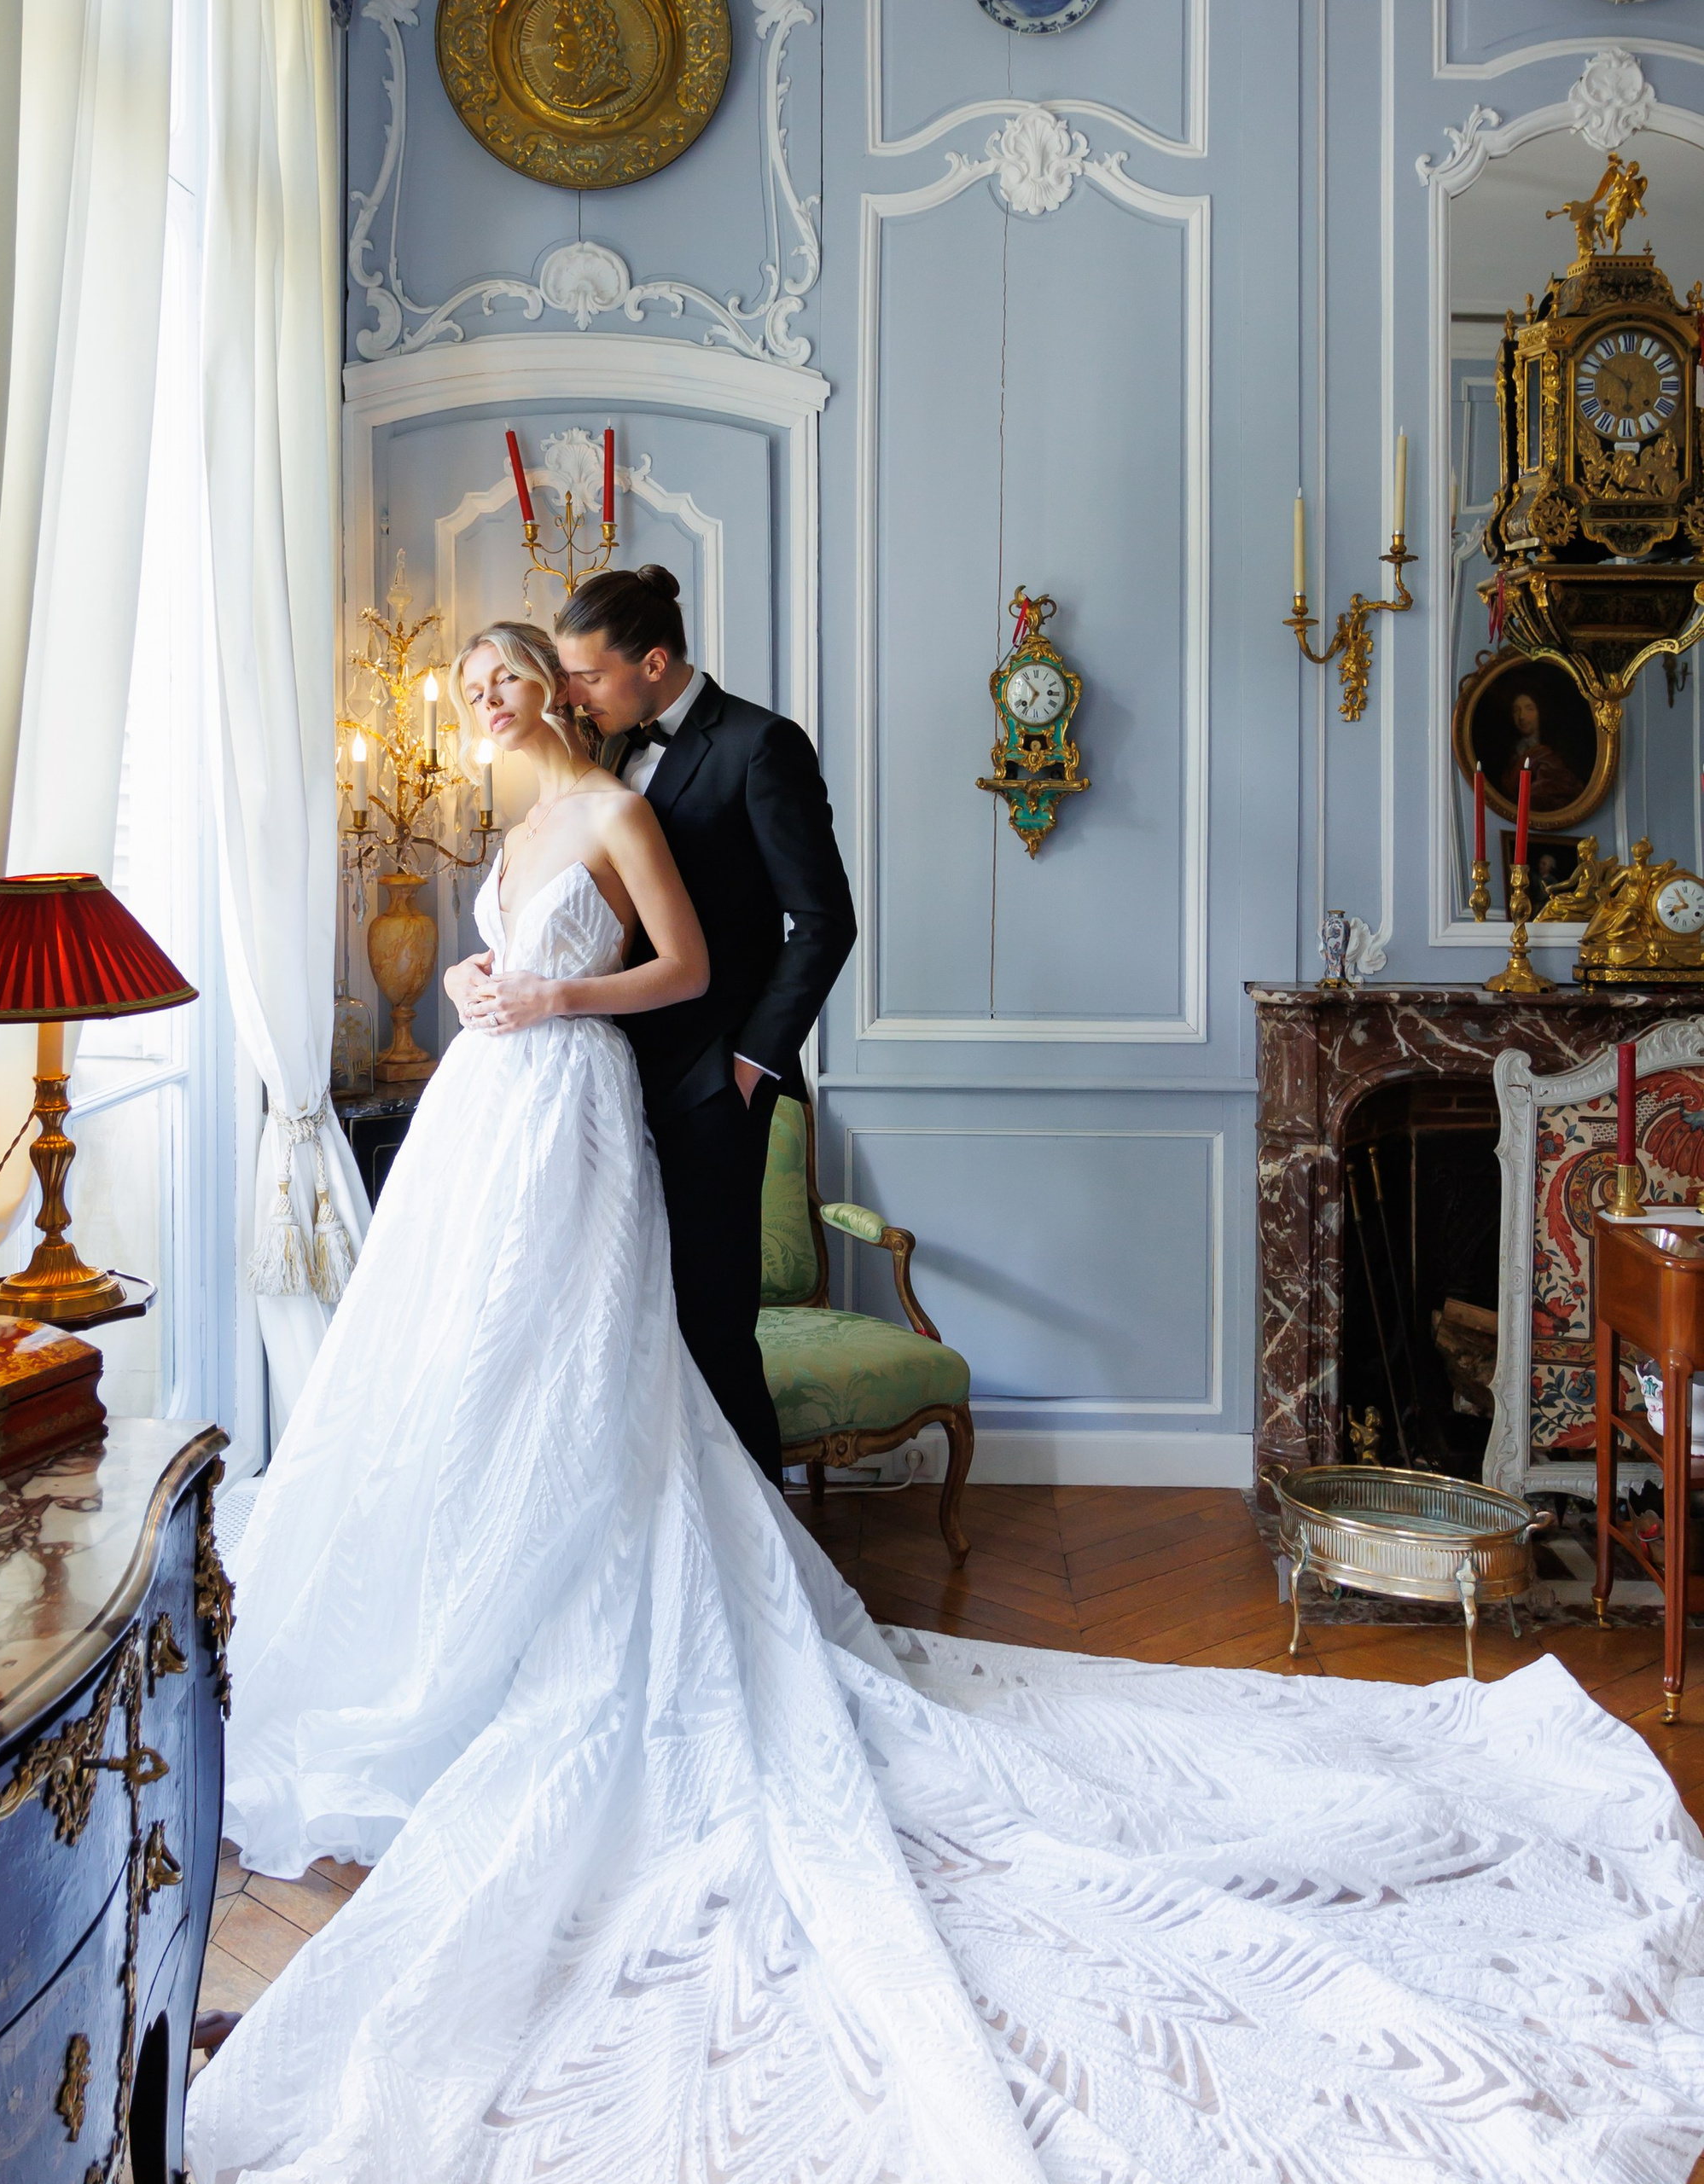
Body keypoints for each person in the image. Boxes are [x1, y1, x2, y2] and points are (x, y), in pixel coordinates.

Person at [183, 618, 1704, 2183]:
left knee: (636, 1382)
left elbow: (796, 929)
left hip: (642, 1099)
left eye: (546, 670)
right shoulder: (559, 797)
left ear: (627, 663)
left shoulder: (727, 757)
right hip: (530, 1124)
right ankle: (501, 1621)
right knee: (554, 1379)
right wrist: (491, 982)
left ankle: (691, 1591)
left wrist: (745, 1067)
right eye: (508, 682)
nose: (531, 696)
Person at [452, 566, 856, 1484]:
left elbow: (824, 922)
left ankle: (761, 1555)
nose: (569, 693)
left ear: (655, 662)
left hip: (712, 1080)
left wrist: (751, 1064)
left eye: (585, 676)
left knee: (710, 1323)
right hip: (596, 1082)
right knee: (611, 1321)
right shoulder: (600, 760)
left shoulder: (760, 745)